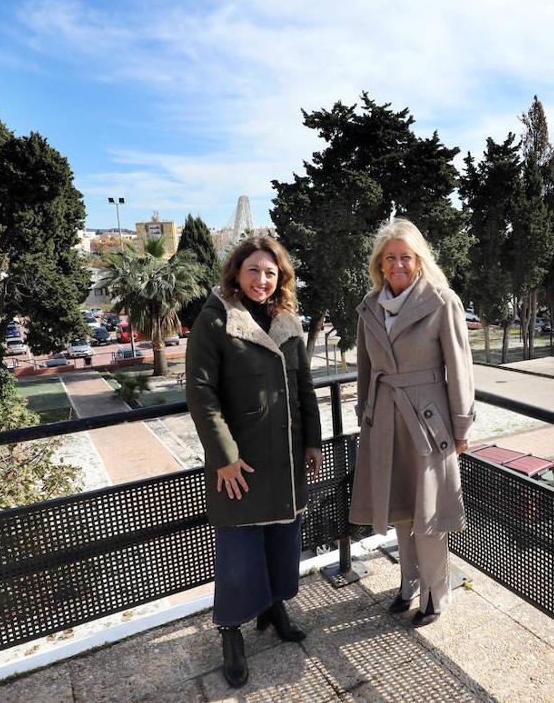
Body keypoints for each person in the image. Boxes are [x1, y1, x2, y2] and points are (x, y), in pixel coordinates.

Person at [185, 236, 323, 689]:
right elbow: (201, 393)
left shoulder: (288, 320)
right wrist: (224, 459)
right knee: (239, 556)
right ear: (236, 272)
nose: (262, 280)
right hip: (240, 464)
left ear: (280, 276)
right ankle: (231, 631)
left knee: (283, 543)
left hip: (286, 459)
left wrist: (313, 441)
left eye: (271, 272)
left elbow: (304, 385)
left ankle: (273, 607)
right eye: (254, 270)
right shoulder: (215, 319)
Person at [350, 218, 475, 628]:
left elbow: (459, 368)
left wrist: (461, 427)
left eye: (406, 256)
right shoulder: (368, 306)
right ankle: (407, 585)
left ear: (419, 260)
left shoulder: (441, 301)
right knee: (401, 511)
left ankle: (435, 596)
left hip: (427, 424)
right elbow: (365, 368)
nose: (398, 264)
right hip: (384, 421)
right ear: (380, 265)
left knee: (430, 517)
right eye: (390, 258)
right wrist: (364, 416)